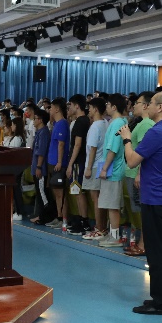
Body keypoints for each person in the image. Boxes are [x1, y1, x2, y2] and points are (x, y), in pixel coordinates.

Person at [119, 91, 162, 315]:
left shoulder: (157, 132)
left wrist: (127, 138)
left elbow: (132, 160)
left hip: (155, 197)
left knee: (156, 253)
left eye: (151, 103)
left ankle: (159, 302)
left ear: (160, 107)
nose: (148, 106)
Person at [123, 91, 155, 255]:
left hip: (137, 173)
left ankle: (144, 244)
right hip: (132, 172)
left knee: (143, 211)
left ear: (145, 106)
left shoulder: (146, 124)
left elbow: (144, 153)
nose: (133, 106)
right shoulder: (141, 123)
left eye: (137, 103)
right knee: (139, 211)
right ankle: (141, 242)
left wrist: (139, 174)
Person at [97, 93, 128, 247]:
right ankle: (112, 233)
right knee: (110, 203)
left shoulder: (117, 123)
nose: (106, 107)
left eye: (108, 105)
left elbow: (113, 149)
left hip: (113, 170)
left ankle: (115, 237)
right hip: (112, 169)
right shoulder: (117, 122)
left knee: (113, 205)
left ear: (114, 107)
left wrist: (104, 168)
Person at [81, 98, 109, 240]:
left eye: (90, 108)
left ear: (96, 109)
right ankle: (102, 227)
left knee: (96, 199)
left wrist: (88, 168)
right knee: (101, 199)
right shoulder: (106, 123)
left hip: (94, 166)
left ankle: (99, 228)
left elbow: (92, 149)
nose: (89, 111)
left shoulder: (95, 127)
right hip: (103, 164)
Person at [65, 94, 90, 235]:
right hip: (79, 161)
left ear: (77, 106)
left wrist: (70, 164)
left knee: (78, 192)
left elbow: (77, 144)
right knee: (77, 192)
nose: (69, 107)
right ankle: (81, 220)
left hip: (77, 163)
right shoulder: (84, 120)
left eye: (71, 105)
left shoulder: (81, 122)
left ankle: (83, 222)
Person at [46, 98, 70, 230]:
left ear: (57, 109)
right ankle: (58, 216)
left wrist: (60, 162)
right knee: (56, 193)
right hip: (52, 162)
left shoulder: (62, 124)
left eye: (51, 107)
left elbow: (61, 144)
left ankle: (63, 219)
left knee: (61, 193)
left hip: (58, 163)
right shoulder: (56, 123)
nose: (49, 110)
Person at [29, 109, 56, 225]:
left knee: (43, 194)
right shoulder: (39, 132)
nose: (33, 121)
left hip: (41, 169)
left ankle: (45, 217)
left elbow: (42, 152)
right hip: (36, 167)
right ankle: (40, 215)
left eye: (35, 118)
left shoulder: (44, 133)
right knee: (40, 193)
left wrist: (39, 167)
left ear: (40, 120)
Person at [9, 117, 26, 220]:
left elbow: (12, 153)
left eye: (12, 124)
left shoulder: (17, 139)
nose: (11, 126)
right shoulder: (18, 138)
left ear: (16, 126)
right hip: (15, 168)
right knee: (15, 190)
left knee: (16, 190)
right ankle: (17, 211)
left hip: (15, 168)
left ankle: (19, 212)